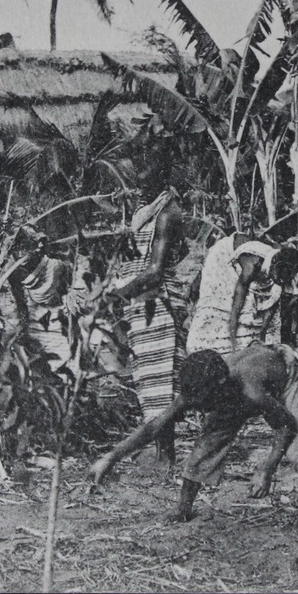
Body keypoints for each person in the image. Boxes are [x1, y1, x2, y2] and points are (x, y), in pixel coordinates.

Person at [88, 345, 298, 539]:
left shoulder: (251, 390)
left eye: (202, 401)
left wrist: (267, 468)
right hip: (238, 384)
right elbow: (154, 426)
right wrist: (110, 457)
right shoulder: (202, 387)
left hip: (284, 373)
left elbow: (286, 425)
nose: (197, 406)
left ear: (218, 387)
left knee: (297, 449)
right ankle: (184, 508)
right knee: (206, 445)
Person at [110, 189, 189, 462]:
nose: (140, 177)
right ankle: (160, 451)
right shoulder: (145, 212)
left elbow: (155, 271)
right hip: (143, 302)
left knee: (162, 381)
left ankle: (166, 455)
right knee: (148, 379)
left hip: (160, 301)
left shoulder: (167, 214)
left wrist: (116, 294)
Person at [186, 233, 298, 355]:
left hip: (262, 266)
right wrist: (233, 342)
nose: (282, 282)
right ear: (274, 266)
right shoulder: (252, 266)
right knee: (221, 306)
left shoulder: (283, 266)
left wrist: (262, 337)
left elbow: (272, 304)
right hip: (225, 255)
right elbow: (235, 307)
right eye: (280, 278)